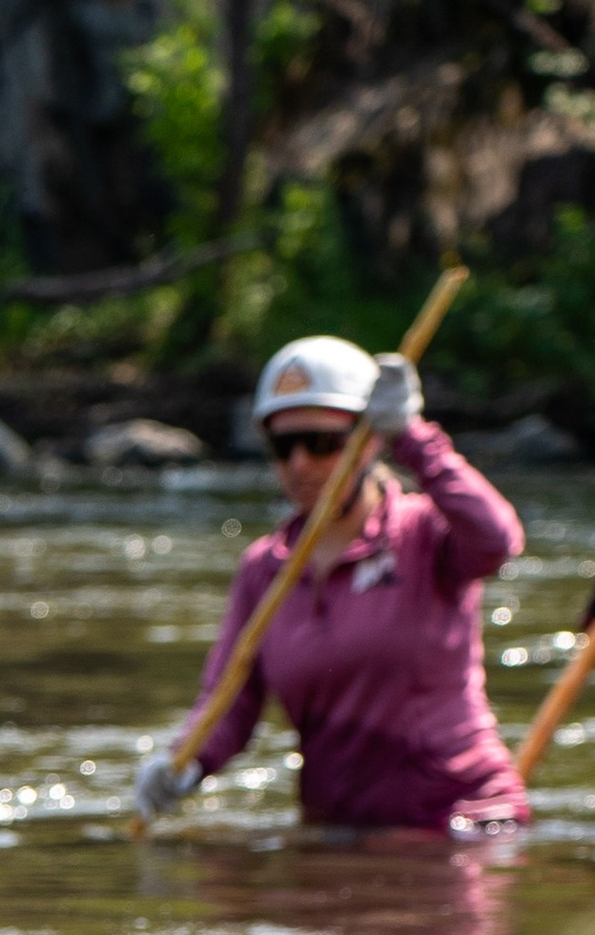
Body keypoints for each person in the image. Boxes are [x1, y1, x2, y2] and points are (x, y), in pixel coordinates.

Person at [132, 334, 529, 835]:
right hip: (341, 832)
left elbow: (497, 538)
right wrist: (182, 764)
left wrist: (412, 436)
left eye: (323, 444)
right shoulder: (263, 570)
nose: (301, 463)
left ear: (367, 444)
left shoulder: (424, 536)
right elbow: (229, 702)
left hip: (460, 823)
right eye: (284, 446)